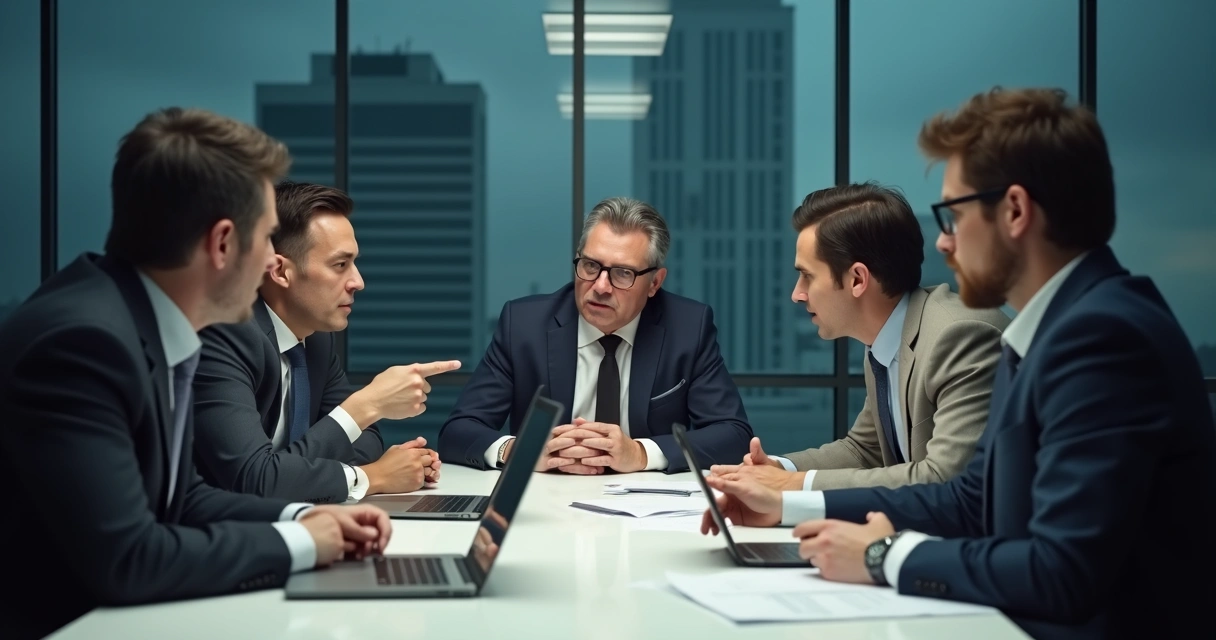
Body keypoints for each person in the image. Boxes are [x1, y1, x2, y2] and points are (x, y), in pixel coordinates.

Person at [701, 88, 1216, 640]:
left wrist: (884, 557)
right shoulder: (1054, 328)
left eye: (953, 214)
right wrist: (787, 505)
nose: (944, 244)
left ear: (1015, 210)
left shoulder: (1102, 337)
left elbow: (1062, 573)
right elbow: (972, 499)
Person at [0, 108, 391, 640]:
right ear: (224, 243)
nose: (271, 266)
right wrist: (303, 545)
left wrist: (303, 519)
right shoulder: (82, 344)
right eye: (266, 239)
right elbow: (130, 558)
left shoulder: (142, 319)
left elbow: (181, 496)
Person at [710, 182, 1007, 502]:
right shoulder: (884, 341)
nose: (797, 294)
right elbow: (865, 449)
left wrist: (791, 486)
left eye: (807, 275)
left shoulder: (958, 337)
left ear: (857, 280)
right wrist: (779, 468)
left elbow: (943, 478)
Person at [438, 197, 752, 474]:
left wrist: (641, 453)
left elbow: (733, 434)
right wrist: (520, 451)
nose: (600, 286)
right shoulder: (523, 324)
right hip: (546, 503)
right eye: (590, 266)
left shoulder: (688, 327)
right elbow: (459, 431)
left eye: (622, 273)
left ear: (655, 282)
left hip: (648, 508)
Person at [192, 181, 456, 503]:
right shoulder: (223, 335)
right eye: (340, 265)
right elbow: (255, 479)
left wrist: (298, 470)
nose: (358, 282)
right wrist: (371, 474)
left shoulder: (316, 341)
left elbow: (364, 440)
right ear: (280, 271)